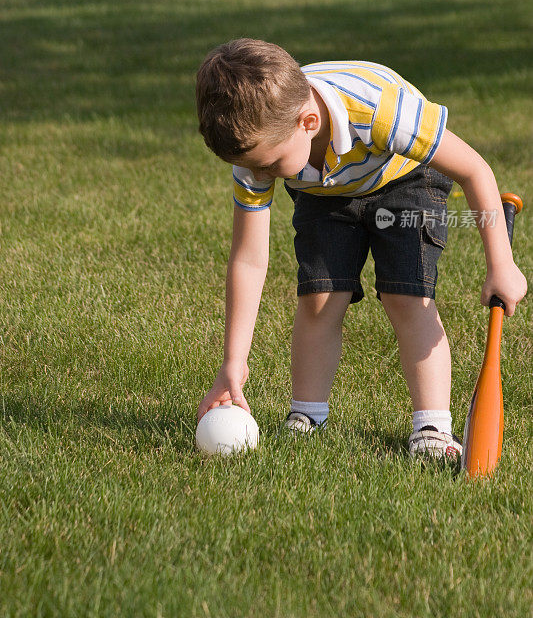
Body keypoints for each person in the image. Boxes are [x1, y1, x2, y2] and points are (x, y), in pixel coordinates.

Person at [195, 38, 527, 460]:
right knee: (319, 296)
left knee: (407, 296)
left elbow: (474, 171)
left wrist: (501, 263)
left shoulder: (378, 109)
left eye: (271, 166)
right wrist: (232, 361)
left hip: (405, 177)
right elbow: (248, 257)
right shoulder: (259, 149)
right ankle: (307, 416)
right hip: (323, 187)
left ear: (309, 121)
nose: (262, 175)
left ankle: (431, 427)